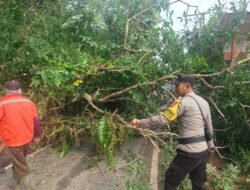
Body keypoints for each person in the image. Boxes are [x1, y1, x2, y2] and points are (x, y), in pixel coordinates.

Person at [131, 74, 215, 190]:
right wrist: (210, 147)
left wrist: (141, 123)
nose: (175, 88)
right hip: (203, 152)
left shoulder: (181, 102)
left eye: (177, 85)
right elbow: (209, 128)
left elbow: (162, 119)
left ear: (187, 86)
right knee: (198, 185)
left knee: (170, 180)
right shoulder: (204, 102)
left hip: (189, 153)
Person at [0, 80, 41, 190]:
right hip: (27, 138)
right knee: (18, 161)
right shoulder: (29, 102)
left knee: (22, 166)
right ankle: (16, 185)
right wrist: (37, 136)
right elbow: (36, 121)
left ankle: (31, 187)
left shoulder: (2, 103)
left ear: (6, 91)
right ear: (20, 91)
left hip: (13, 141)